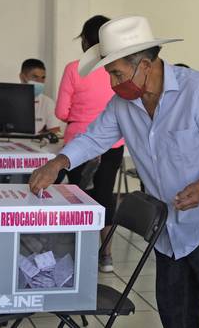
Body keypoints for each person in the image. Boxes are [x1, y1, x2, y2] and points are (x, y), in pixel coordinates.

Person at [30, 15, 199, 327]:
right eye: (110, 75)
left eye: (117, 74)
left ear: (145, 64)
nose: (112, 83)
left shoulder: (196, 90)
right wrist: (57, 163)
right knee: (176, 316)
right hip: (168, 231)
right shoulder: (122, 104)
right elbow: (93, 138)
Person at [55, 15, 125, 273]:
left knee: (77, 197)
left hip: (78, 143)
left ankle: (76, 253)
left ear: (85, 41)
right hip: (113, 144)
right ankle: (105, 255)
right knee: (105, 196)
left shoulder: (74, 69)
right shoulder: (119, 68)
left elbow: (62, 112)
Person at [19, 58, 62, 135]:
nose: (40, 82)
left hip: (36, 145)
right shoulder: (7, 100)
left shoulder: (48, 102)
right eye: (35, 77)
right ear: (22, 77)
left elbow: (55, 131)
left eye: (43, 78)